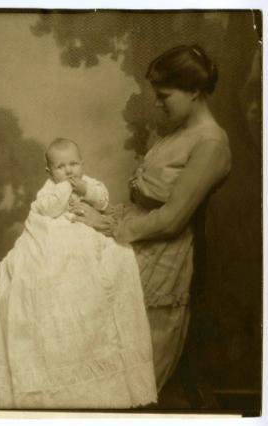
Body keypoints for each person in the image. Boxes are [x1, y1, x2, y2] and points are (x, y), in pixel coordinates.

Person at [70, 44, 232, 394]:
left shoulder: (211, 143)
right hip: (137, 229)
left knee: (128, 348)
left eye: (164, 95)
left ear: (195, 91)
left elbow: (173, 218)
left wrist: (114, 229)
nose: (157, 103)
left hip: (162, 249)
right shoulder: (177, 130)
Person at [0, 138, 157, 409]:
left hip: (83, 225)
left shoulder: (88, 181)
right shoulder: (49, 189)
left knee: (109, 254)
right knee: (54, 259)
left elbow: (103, 202)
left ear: (83, 164)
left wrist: (86, 189)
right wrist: (66, 188)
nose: (69, 171)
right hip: (55, 230)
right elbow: (49, 209)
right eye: (61, 167)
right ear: (49, 172)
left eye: (74, 164)